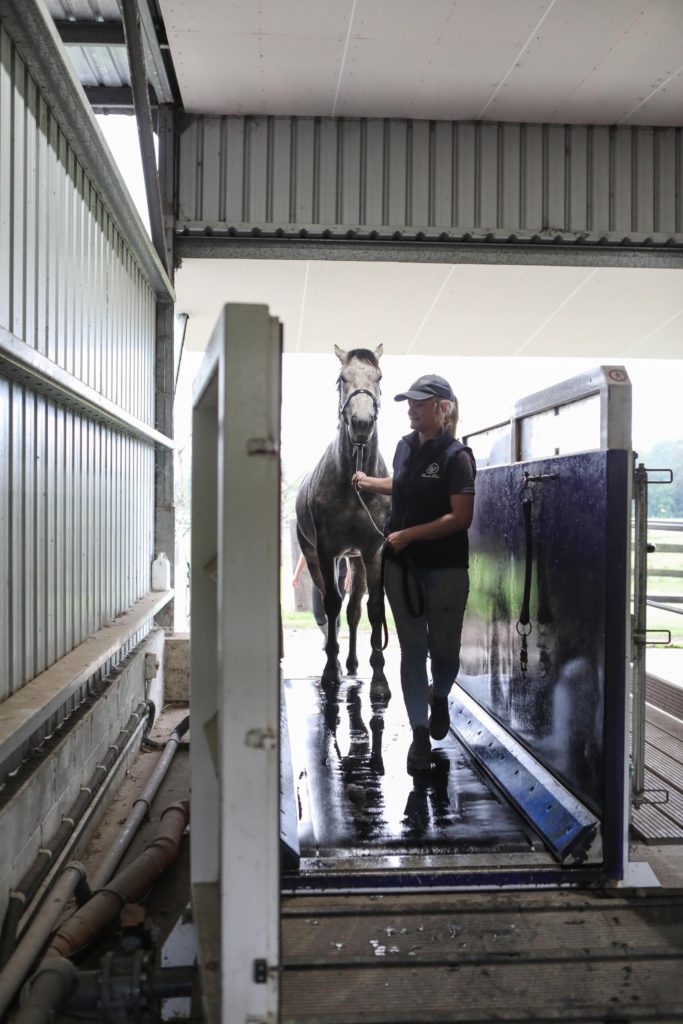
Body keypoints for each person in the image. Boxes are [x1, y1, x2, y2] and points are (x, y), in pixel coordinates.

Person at [352, 374, 476, 774]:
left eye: (420, 403)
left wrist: (409, 535)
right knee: (412, 650)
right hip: (402, 567)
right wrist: (370, 483)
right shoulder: (404, 448)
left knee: (444, 650)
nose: (411, 409)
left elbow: (460, 518)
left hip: (444, 567)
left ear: (442, 407)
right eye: (410, 403)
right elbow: (404, 487)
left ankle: (439, 694)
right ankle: (419, 735)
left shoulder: (458, 458)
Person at [292, 552, 351, 635]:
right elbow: (306, 550)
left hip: (341, 575)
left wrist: (349, 575)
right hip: (320, 574)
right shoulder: (314, 538)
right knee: (318, 614)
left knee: (334, 611)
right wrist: (297, 573)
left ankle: (332, 640)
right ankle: (328, 637)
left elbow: (352, 550)